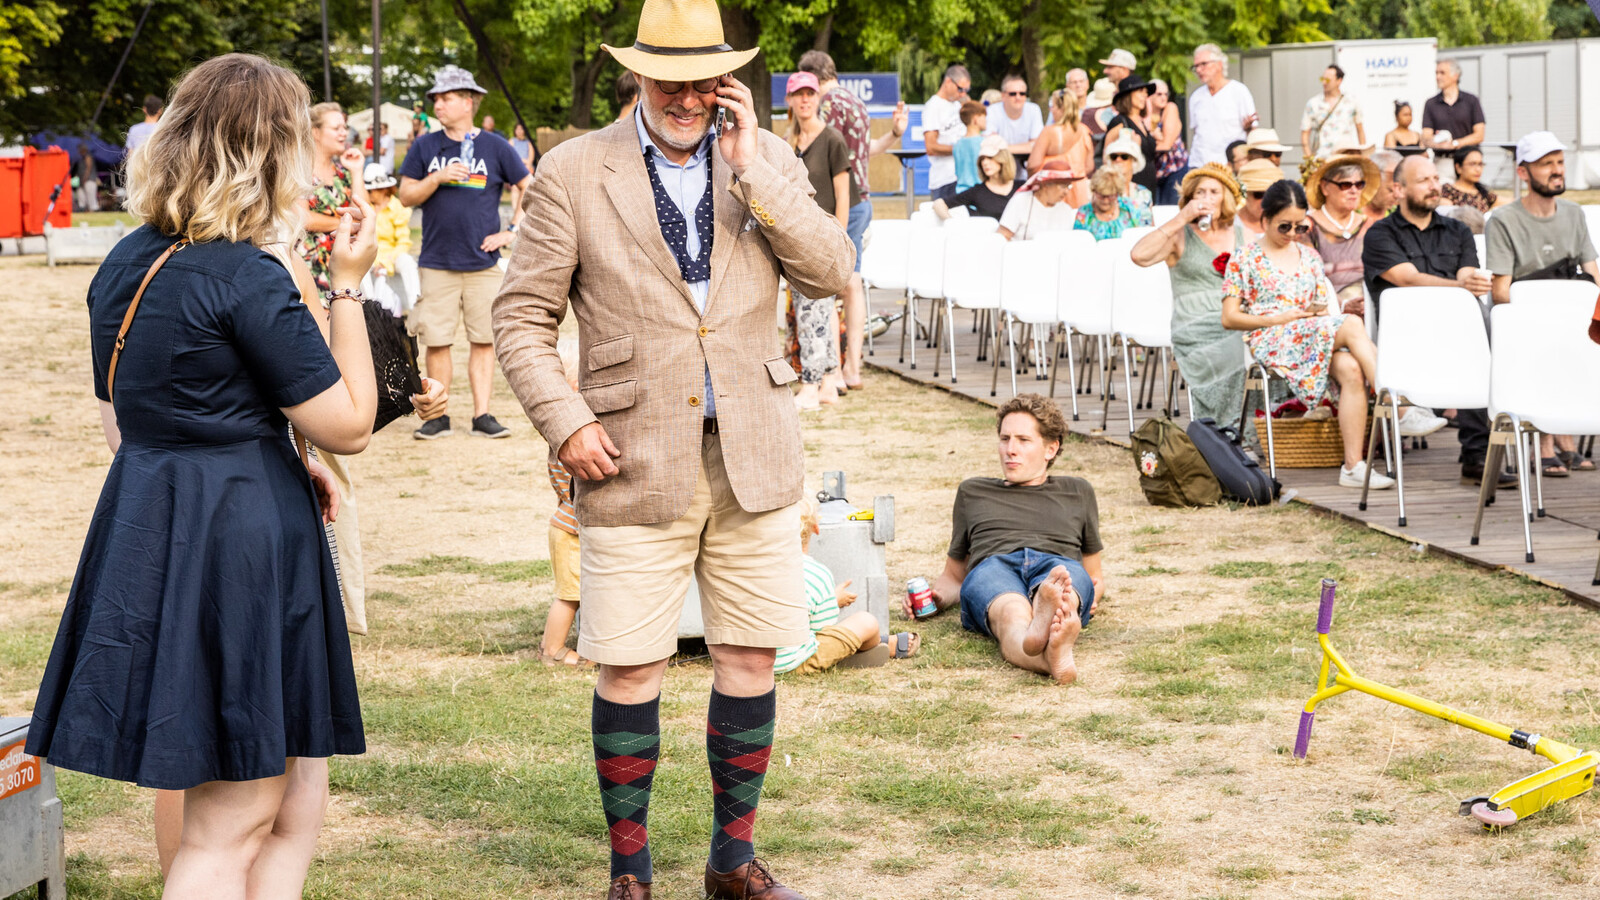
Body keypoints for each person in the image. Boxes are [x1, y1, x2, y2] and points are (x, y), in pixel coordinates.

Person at [491, 0, 855, 894]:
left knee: (750, 657)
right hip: (626, 452)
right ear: (637, 75)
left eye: (703, 80)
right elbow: (522, 318)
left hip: (755, 454)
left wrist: (753, 173)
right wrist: (567, 420)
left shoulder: (764, 157)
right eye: (669, 80)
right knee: (630, 662)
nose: (687, 97)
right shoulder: (574, 170)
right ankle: (631, 871)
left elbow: (832, 271)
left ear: (726, 78)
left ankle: (733, 862)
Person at [26, 53, 382, 900]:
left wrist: (283, 455)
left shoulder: (123, 261)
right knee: (230, 822)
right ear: (268, 151)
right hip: (237, 537)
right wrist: (346, 289)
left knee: (291, 795)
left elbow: (126, 413)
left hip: (161, 516)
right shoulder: (246, 275)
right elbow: (352, 423)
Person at [912, 394, 1104, 686]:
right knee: (1012, 613)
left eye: (1023, 440)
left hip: (1056, 566)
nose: (1010, 450)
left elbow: (1093, 575)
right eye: (1005, 438)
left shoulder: (1078, 491)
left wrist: (1086, 596)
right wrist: (936, 599)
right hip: (994, 566)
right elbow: (953, 577)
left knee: (1058, 588)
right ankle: (1047, 648)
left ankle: (1049, 618)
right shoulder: (972, 492)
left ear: (1051, 448)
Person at [1222, 180, 1390, 490]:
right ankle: (1397, 403)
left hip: (1311, 333)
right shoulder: (1244, 257)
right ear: (1265, 217)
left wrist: (1316, 313)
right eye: (1284, 226)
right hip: (1271, 337)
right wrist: (1277, 318)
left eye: (1300, 228)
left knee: (1352, 369)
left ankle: (1353, 466)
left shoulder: (1309, 256)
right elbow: (1229, 318)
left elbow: (1321, 310)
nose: (1292, 235)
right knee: (1352, 324)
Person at [399, 65, 533, 440]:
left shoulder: (495, 145)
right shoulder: (426, 146)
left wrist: (511, 231)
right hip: (436, 261)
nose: (438, 105)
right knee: (437, 341)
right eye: (436, 99)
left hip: (483, 263)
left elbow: (529, 185)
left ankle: (482, 416)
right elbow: (406, 195)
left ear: (469, 102)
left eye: (446, 98)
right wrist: (437, 178)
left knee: (483, 340)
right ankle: (438, 417)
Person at [1361, 155, 1508, 487]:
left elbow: (1467, 272)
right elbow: (1407, 278)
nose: (1434, 186)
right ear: (1398, 189)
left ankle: (1478, 455)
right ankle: (1482, 448)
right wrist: (1460, 286)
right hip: (1406, 339)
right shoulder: (1379, 234)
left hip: (1457, 335)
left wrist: (1469, 280)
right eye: (1423, 180)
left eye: (1435, 179)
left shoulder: (1457, 230)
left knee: (1489, 326)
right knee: (1482, 330)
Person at [1485, 132, 1599, 476]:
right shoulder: (1503, 220)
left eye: (1560, 162)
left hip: (1571, 318)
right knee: (1545, 340)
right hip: (1524, 320)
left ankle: (1564, 440)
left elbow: (1594, 274)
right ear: (1523, 173)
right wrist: (1543, 304)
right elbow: (1501, 290)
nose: (1556, 170)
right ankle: (1547, 444)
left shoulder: (1574, 214)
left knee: (1580, 335)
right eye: (1546, 163)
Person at [797, 48, 908, 392]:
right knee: (853, 284)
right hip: (864, 200)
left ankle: (831, 370)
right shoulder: (856, 103)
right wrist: (894, 135)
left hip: (837, 202)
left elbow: (828, 155)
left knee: (828, 286)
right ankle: (853, 366)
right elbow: (864, 150)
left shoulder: (827, 107)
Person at [1131, 163, 1249, 428]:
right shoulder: (1179, 236)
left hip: (1236, 319)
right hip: (1195, 325)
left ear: (1226, 198)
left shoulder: (1242, 236)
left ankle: (1257, 426)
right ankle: (1228, 428)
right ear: (1189, 199)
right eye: (1200, 193)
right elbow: (1139, 256)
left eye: (1213, 192)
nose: (1206, 198)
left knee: (1260, 344)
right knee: (1239, 347)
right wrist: (1180, 219)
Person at [776, 498, 919, 674]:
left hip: (749, 658)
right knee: (866, 622)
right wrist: (831, 602)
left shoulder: (754, 568)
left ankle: (872, 642)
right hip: (793, 662)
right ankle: (871, 646)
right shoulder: (817, 574)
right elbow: (822, 629)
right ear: (816, 528)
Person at [785, 70, 855, 409]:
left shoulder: (832, 140)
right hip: (796, 238)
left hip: (825, 239)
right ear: (790, 100)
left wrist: (838, 245)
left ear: (818, 97)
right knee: (811, 310)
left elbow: (843, 196)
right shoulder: (787, 143)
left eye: (810, 93)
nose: (805, 99)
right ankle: (828, 379)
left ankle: (812, 384)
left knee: (814, 310)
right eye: (799, 94)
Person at [540, 339, 591, 667]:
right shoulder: (571, 432)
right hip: (570, 529)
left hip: (568, 527)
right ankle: (552, 651)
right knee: (570, 595)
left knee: (584, 592)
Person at [297, 103, 370, 295]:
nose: (344, 133)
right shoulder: (300, 170)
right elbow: (303, 218)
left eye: (344, 127)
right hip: (310, 265)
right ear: (315, 132)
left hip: (343, 264)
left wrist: (356, 171)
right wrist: (345, 223)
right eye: (336, 128)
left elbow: (363, 212)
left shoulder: (342, 172)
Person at [1305, 154, 1381, 312]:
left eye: (1359, 184)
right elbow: (1308, 277)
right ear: (1325, 187)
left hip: (1369, 305)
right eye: (1345, 185)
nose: (1354, 190)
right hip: (1327, 308)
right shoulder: (1308, 226)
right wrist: (1343, 305)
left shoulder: (1370, 224)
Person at [361, 163, 420, 315]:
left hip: (391, 254)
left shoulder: (397, 207)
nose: (369, 193)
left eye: (371, 190)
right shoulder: (366, 206)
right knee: (361, 268)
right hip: (369, 253)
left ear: (382, 189)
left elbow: (403, 241)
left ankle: (416, 306)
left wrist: (387, 261)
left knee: (407, 262)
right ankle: (371, 308)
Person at [1188, 43, 1258, 166]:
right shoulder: (1196, 97)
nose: (1199, 70)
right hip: (1199, 165)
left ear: (1219, 64)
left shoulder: (1238, 91)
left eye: (1203, 64)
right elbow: (1197, 134)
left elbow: (1253, 132)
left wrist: (1249, 128)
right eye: (1196, 66)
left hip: (1228, 165)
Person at [1027, 89, 1093, 208]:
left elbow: (1033, 164)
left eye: (1053, 106)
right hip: (1078, 191)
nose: (1051, 110)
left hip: (1052, 191)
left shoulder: (1049, 132)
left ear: (1061, 109)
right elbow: (1089, 166)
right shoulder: (1084, 130)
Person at [922, 64, 973, 203]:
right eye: (960, 89)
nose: (963, 94)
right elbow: (931, 147)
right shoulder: (933, 106)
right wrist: (961, 148)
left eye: (967, 90)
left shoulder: (958, 105)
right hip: (945, 180)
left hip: (964, 177)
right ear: (948, 81)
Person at [936, 137, 1016, 221]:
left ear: (1003, 158)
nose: (985, 162)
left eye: (990, 157)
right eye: (982, 159)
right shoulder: (978, 191)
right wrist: (951, 223)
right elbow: (939, 204)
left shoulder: (1022, 187)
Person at [1103, 76, 1158, 194]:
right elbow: (1106, 157)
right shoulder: (1120, 122)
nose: (1144, 95)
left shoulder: (1141, 122)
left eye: (1145, 92)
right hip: (1129, 185)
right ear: (1127, 95)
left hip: (1148, 184)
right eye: (1140, 91)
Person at [1000, 159, 1079, 240]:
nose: (1066, 191)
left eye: (1069, 186)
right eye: (1063, 186)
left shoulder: (1065, 209)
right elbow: (1002, 236)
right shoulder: (1021, 201)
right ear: (1046, 185)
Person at [1422, 59, 1485, 162]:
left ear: (1455, 75)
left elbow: (1479, 135)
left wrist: (1455, 143)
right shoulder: (1431, 103)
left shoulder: (1471, 100)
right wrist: (1437, 143)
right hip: (1442, 161)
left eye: (1442, 73)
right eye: (1436, 73)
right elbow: (1426, 137)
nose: (1438, 77)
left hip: (1467, 160)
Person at [1301, 65, 1364, 162]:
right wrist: (1309, 159)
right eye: (1322, 79)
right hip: (1322, 159)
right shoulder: (1313, 103)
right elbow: (1305, 133)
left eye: (1328, 80)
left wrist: (1362, 156)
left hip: (1346, 156)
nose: (1324, 82)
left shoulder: (1351, 101)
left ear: (1339, 81)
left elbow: (1360, 129)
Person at [988, 74, 1044, 178]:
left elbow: (1038, 146)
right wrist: (1026, 146)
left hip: (1026, 175)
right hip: (999, 175)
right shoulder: (992, 111)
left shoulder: (1034, 109)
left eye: (1022, 93)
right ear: (1003, 96)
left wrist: (1003, 147)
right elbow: (990, 144)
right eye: (1013, 94)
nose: (1018, 97)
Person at [1073, 166, 1144, 240]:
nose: (1105, 201)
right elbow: (1078, 243)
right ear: (1094, 191)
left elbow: (1140, 238)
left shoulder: (1130, 208)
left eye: (1110, 196)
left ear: (1117, 193)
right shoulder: (1084, 213)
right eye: (1101, 195)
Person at [1149, 79, 1190, 205]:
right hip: (1155, 172)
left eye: (1165, 94)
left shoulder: (1170, 108)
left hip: (1174, 169)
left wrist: (1146, 143)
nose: (1163, 97)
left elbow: (1166, 144)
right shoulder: (1143, 114)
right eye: (1159, 94)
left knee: (1171, 210)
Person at [1103, 132, 1154, 224]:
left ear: (1133, 161)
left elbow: (1151, 225)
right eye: (1114, 157)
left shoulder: (1144, 193)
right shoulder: (1103, 192)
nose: (1118, 160)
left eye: (1124, 156)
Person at [1441, 146, 1499, 215]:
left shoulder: (1484, 194)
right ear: (1458, 167)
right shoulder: (1447, 191)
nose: (1478, 169)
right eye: (1472, 164)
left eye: (1480, 164)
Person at [1235, 158, 1278, 242]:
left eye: (1271, 195)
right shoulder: (1230, 224)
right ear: (1245, 194)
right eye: (1259, 195)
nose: (1265, 201)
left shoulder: (1284, 224)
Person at [953, 100, 988, 191]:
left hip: (961, 192)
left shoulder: (957, 144)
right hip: (980, 193)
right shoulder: (984, 143)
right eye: (984, 117)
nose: (986, 120)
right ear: (975, 119)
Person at [1365, 148, 1402, 219]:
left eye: (1399, 189)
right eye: (1390, 190)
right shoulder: (1351, 212)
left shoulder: (1398, 216)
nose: (1396, 195)